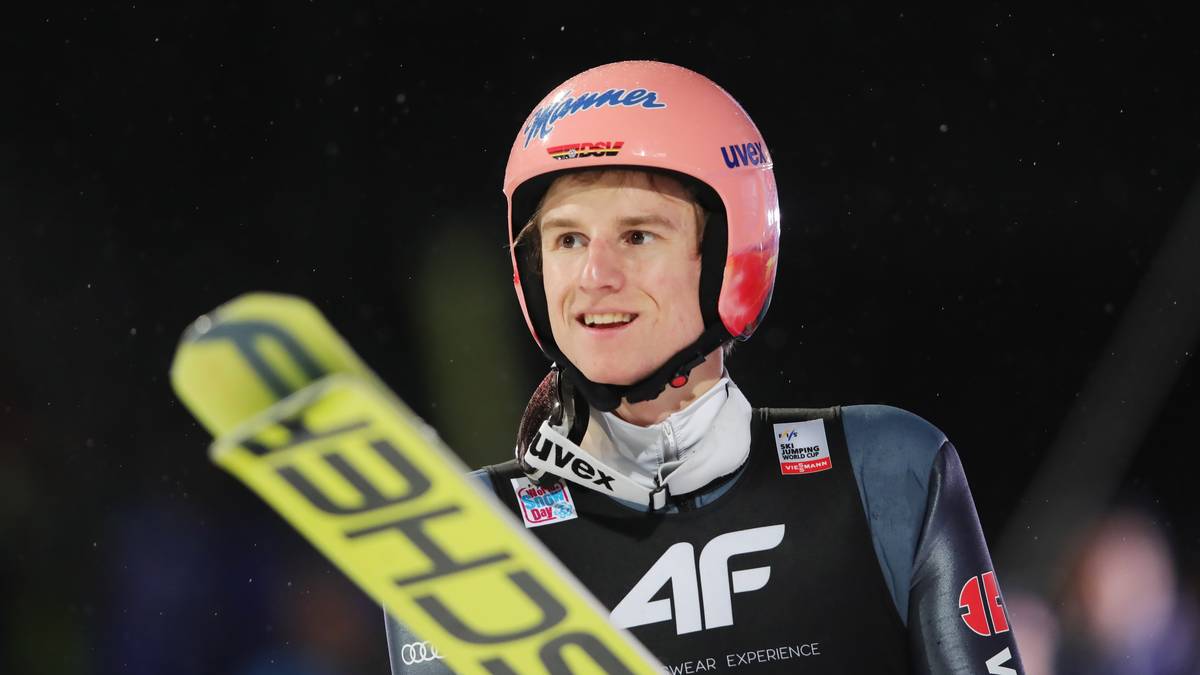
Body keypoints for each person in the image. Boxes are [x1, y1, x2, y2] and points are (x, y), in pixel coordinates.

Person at [385, 60, 1025, 674]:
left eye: (638, 236)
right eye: (568, 239)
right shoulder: (464, 535)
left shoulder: (883, 469)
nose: (595, 276)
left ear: (730, 257)